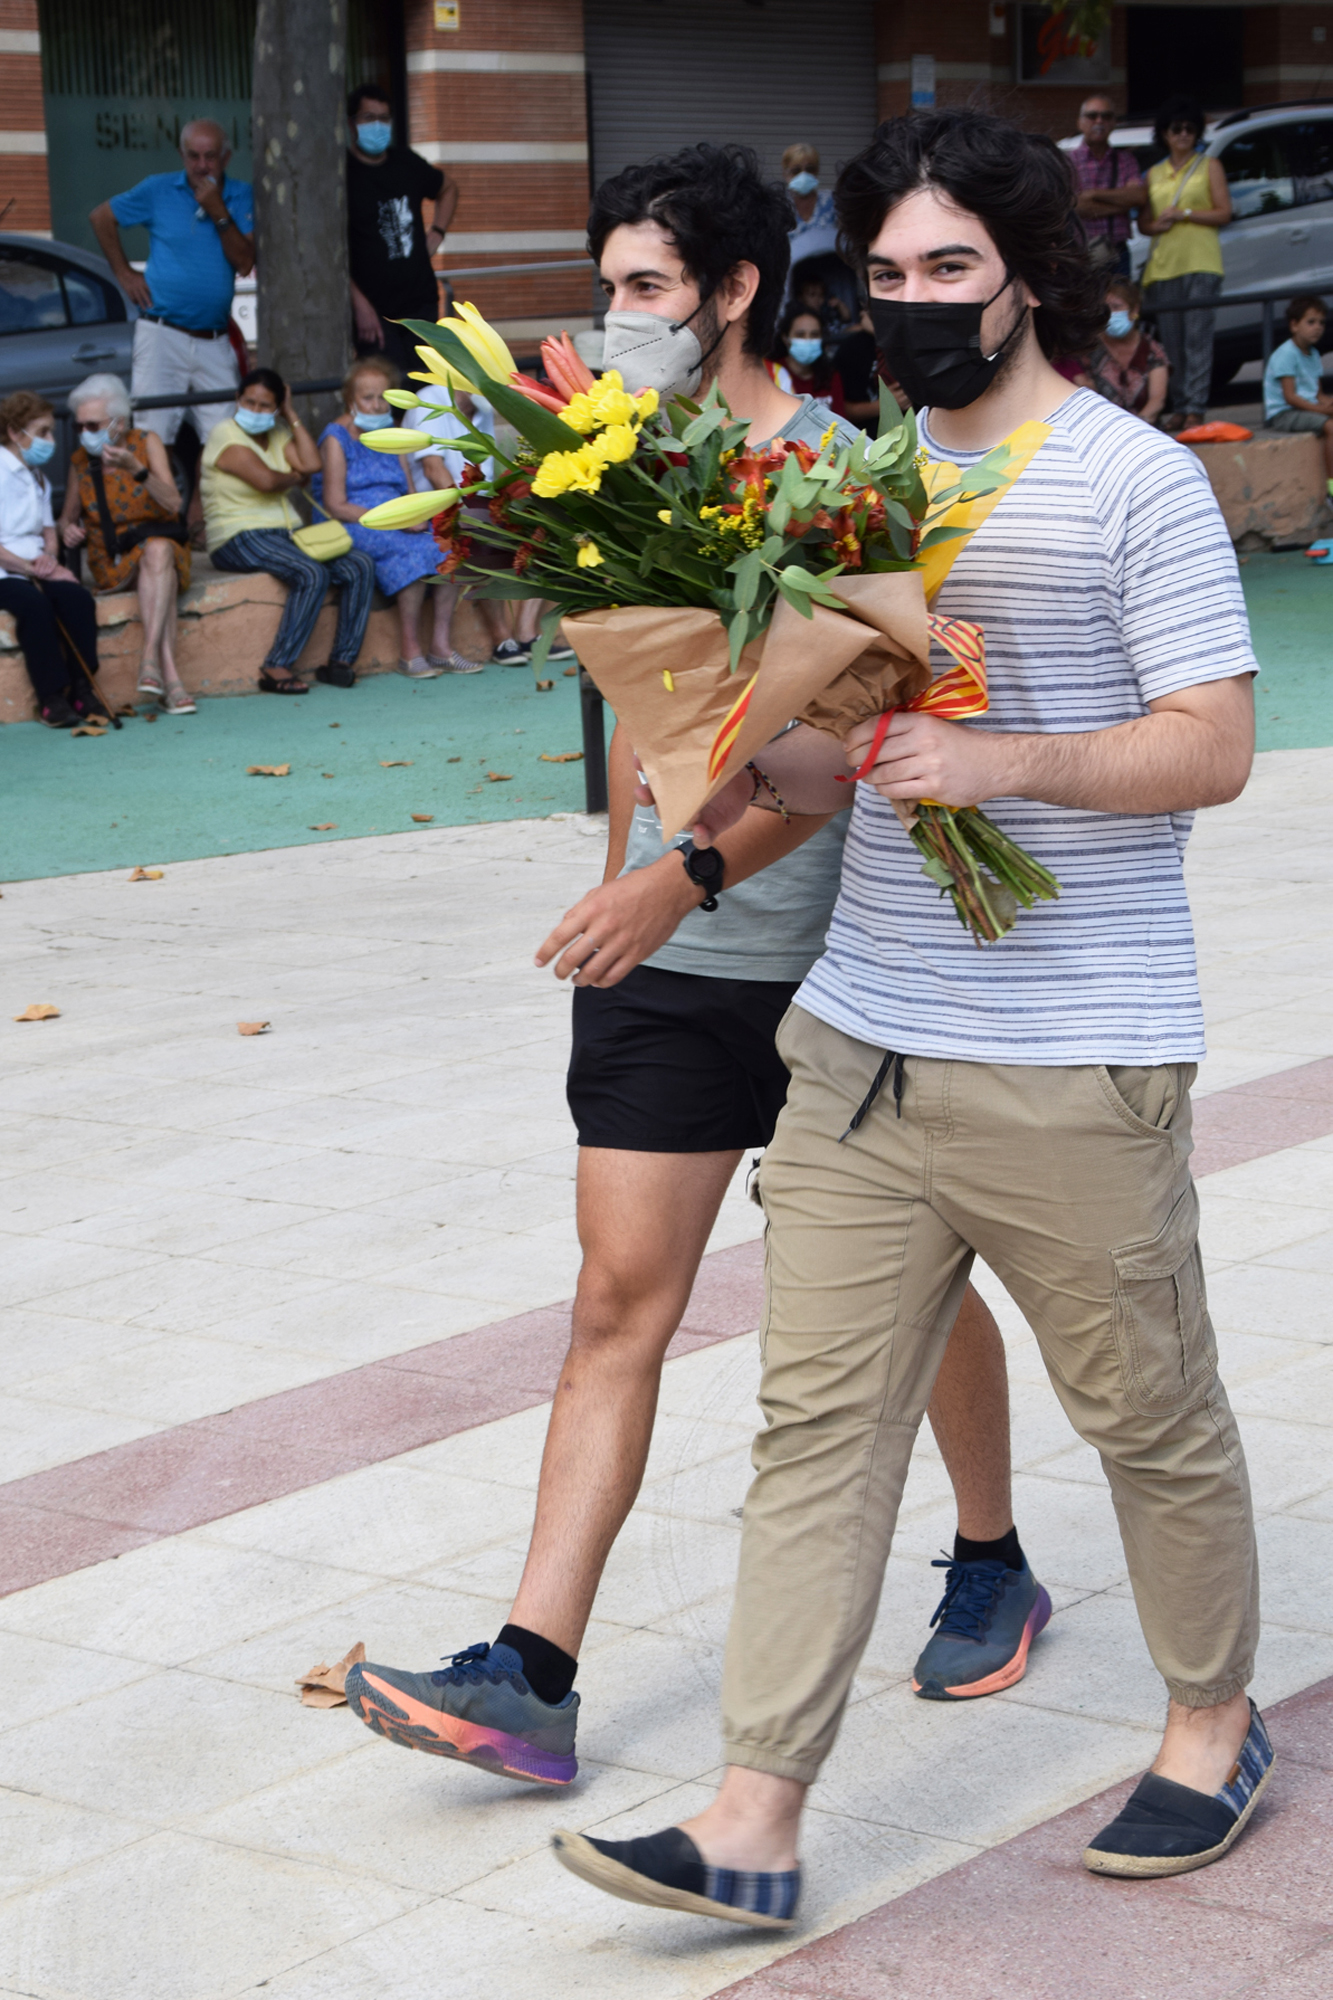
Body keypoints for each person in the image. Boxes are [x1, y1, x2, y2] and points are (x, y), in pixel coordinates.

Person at [551, 106, 1267, 1929]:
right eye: (880, 273)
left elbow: (1213, 745)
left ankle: (1207, 1724)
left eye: (947, 267)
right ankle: (750, 1818)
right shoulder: (851, 488)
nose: (912, 301)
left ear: (1028, 272)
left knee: (1145, 1418)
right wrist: (701, 735)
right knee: (814, 1434)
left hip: (1072, 1051)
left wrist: (991, 756)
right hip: (859, 1039)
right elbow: (826, 754)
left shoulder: (1129, 478)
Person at [345, 141, 1043, 1787]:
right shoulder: (605, 471)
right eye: (608, 289)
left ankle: (992, 1551)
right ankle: (532, 1673)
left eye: (645, 288)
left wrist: (681, 877)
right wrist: (622, 899)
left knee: (898, 1297)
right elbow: (639, 725)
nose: (616, 317)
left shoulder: (849, 482)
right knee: (612, 1304)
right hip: (662, 966)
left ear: (733, 292)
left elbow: (848, 742)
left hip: (841, 968)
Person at [202, 367, 376, 694]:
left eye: (265, 405)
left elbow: (312, 465)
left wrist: (292, 415)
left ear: (277, 407)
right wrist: (293, 479)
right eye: (249, 402)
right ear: (237, 400)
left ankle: (341, 661)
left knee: (359, 565)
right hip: (236, 536)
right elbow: (266, 481)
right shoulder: (224, 433)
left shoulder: (280, 433)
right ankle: (276, 664)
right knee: (311, 573)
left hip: (285, 535)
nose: (254, 411)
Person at [90, 120, 253, 457]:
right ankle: (159, 509)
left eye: (210, 156)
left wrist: (218, 211)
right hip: (162, 331)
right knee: (152, 437)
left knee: (225, 440)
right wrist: (124, 273)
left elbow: (245, 263)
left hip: (214, 337)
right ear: (182, 155)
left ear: (226, 157)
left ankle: (204, 508)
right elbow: (101, 217)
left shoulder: (242, 194)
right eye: (193, 156)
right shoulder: (158, 189)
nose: (201, 165)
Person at [315, 357, 473, 677]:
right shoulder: (336, 437)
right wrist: (396, 520)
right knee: (412, 552)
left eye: (382, 397)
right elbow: (336, 504)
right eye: (367, 397)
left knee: (449, 544)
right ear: (350, 399)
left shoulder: (393, 432)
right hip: (356, 519)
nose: (375, 406)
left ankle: (441, 647)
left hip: (398, 515)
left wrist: (415, 515)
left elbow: (409, 487)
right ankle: (409, 650)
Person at [57, 373, 194, 714]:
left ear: (118, 422)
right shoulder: (80, 463)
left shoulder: (146, 443)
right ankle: (169, 677)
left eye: (93, 425)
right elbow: (67, 517)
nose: (85, 434)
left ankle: (151, 660)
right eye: (79, 427)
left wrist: (137, 469)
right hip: (113, 558)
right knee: (161, 565)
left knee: (158, 552)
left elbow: (173, 504)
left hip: (158, 543)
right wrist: (66, 530)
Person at [0, 392, 107, 728]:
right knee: (35, 606)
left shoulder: (38, 476)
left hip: (35, 565)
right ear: (16, 433)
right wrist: (31, 568)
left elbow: (49, 531)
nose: (50, 440)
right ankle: (51, 697)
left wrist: (50, 560)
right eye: (43, 432)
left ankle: (82, 686)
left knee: (78, 599)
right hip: (6, 571)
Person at [347, 83, 459, 382]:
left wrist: (437, 230)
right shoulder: (343, 174)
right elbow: (330, 252)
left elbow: (448, 188)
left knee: (428, 386)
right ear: (351, 123)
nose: (378, 126)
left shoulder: (405, 162)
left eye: (384, 118)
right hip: (374, 312)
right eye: (369, 118)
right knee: (391, 393)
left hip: (419, 302)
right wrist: (358, 305)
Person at [1141, 97, 1232, 429]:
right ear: (1164, 133)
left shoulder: (1209, 166)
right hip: (1164, 265)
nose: (1183, 135)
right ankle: (1179, 406)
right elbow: (1144, 223)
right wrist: (1158, 225)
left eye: (1190, 129)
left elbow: (1225, 212)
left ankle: (1196, 407)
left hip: (1200, 263)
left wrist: (1186, 213)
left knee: (1197, 340)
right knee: (1173, 344)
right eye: (1176, 129)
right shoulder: (1153, 173)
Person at [1069, 93, 1147, 279]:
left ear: (1113, 123)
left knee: (1121, 306)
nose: (1099, 121)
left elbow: (1138, 197)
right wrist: (1121, 204)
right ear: (1079, 122)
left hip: (1117, 253)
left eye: (1106, 116)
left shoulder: (1126, 160)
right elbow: (1075, 206)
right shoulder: (1067, 161)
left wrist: (1093, 194)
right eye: (1092, 115)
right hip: (1080, 254)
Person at [1262, 294, 1333, 491]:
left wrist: (1327, 404)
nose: (1318, 327)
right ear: (1294, 325)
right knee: (1331, 427)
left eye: (1321, 323)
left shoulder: (1314, 354)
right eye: (1311, 322)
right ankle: (1332, 487)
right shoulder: (1286, 354)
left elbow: (1318, 394)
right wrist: (1322, 411)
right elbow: (1290, 397)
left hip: (1306, 409)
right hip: (1284, 414)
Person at [1085, 277, 1169, 424]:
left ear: (1134, 310)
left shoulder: (1152, 350)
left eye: (1116, 307)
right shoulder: (1090, 349)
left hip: (1145, 429)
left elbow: (1157, 400)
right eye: (1106, 309)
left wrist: (1135, 427)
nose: (1110, 314)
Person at [770, 302, 845, 415]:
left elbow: (841, 422)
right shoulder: (771, 374)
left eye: (814, 335)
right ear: (786, 339)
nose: (808, 340)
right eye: (800, 335)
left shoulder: (831, 377)